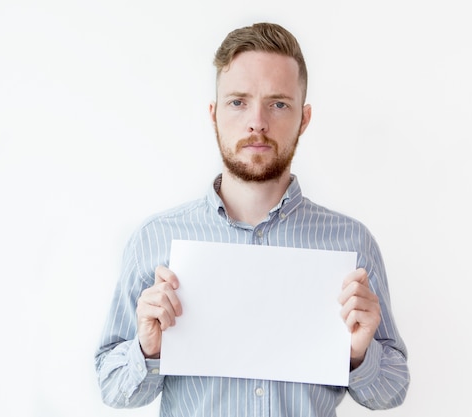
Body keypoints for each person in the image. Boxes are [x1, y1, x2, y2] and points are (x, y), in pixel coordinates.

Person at [95, 22, 409, 415]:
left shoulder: (351, 244)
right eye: (238, 102)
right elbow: (111, 387)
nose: (257, 121)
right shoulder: (155, 239)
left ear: (304, 118)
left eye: (278, 103)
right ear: (213, 114)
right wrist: (148, 348)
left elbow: (392, 390)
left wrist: (359, 354)